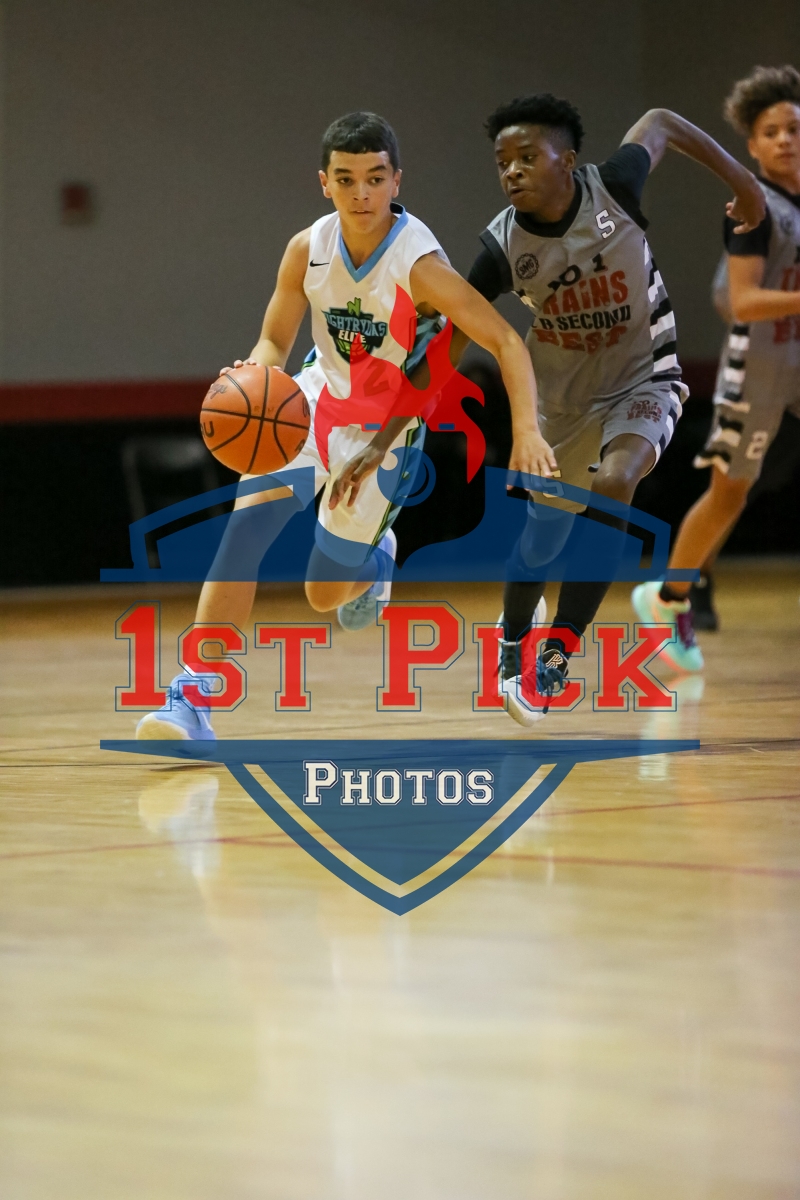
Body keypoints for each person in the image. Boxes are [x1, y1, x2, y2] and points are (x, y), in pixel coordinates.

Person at [136, 110, 554, 741]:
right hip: (311, 404)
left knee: (323, 595)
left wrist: (527, 431)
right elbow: (274, 340)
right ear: (324, 182)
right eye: (347, 179)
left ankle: (376, 564)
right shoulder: (307, 249)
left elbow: (503, 340)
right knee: (244, 533)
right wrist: (254, 375)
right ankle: (192, 698)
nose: (362, 193)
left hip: (384, 434)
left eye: (375, 178)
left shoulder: (419, 263)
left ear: (396, 181)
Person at [461, 92, 764, 725]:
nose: (512, 171)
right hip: (561, 401)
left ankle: (558, 654)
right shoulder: (502, 248)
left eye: (526, 157)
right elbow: (456, 323)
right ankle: (513, 636)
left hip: (644, 377)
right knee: (541, 539)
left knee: (616, 479)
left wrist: (745, 184)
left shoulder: (615, 187)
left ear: (567, 160)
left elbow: (661, 122)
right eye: (502, 162)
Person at [634, 66, 800, 649]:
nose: (785, 140)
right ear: (752, 146)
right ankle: (671, 597)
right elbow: (743, 301)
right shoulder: (754, 208)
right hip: (759, 364)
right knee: (730, 491)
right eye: (771, 132)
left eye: (794, 129)